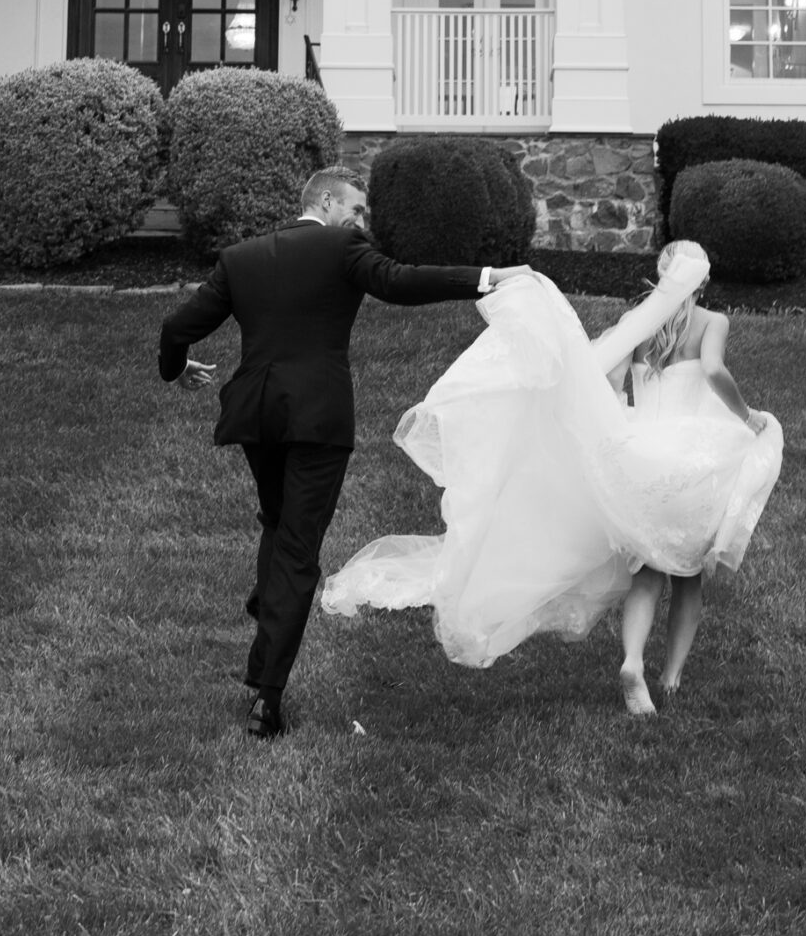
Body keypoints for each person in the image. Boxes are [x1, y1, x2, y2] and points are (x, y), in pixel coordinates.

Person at [321, 240, 781, 716]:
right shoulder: (713, 322)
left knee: (647, 572)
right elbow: (712, 369)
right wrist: (747, 417)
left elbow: (610, 385)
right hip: (688, 461)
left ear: (662, 274)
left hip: (643, 457)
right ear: (701, 280)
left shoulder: (640, 323)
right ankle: (673, 680)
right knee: (688, 576)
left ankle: (632, 661)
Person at [157, 167, 530, 740]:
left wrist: (176, 367)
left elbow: (178, 325)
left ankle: (267, 603)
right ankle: (267, 694)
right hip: (317, 418)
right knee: (299, 553)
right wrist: (486, 277)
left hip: (258, 415)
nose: (361, 223)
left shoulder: (243, 256)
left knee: (280, 525)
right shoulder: (341, 245)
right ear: (326, 201)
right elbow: (399, 282)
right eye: (356, 210)